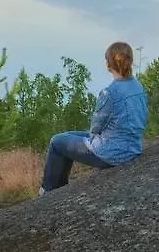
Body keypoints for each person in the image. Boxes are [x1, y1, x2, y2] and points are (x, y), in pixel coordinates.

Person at [39, 41, 148, 195]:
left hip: (111, 153)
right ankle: (58, 191)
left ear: (109, 64)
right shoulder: (137, 85)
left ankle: (49, 191)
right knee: (69, 136)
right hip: (132, 147)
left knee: (57, 141)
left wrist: (92, 138)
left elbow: (96, 127)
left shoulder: (109, 93)